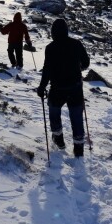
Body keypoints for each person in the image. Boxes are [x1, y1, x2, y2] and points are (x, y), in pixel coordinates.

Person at [36, 18, 90, 158]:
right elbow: (86, 62)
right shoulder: (76, 44)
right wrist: (80, 68)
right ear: (66, 30)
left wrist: (42, 87)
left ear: (53, 32)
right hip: (75, 88)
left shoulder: (50, 48)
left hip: (57, 88)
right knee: (76, 117)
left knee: (54, 112)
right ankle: (79, 148)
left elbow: (47, 70)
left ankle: (58, 138)